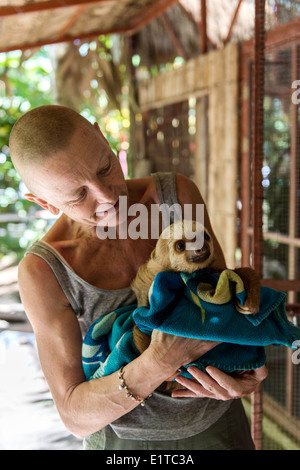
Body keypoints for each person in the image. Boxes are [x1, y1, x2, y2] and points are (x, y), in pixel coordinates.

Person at [9, 105, 267, 450]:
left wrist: (250, 371)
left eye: (105, 168)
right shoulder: (45, 271)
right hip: (124, 443)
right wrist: (160, 361)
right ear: (44, 203)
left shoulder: (175, 198)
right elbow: (74, 416)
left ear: (104, 137)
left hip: (218, 421)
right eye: (78, 195)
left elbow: (224, 305)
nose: (108, 196)